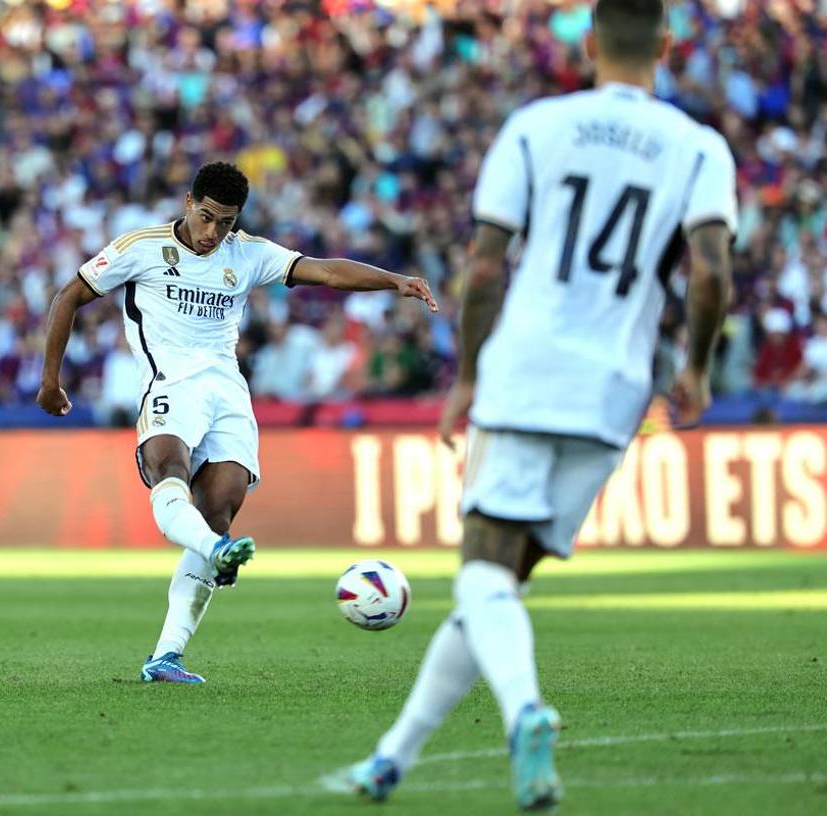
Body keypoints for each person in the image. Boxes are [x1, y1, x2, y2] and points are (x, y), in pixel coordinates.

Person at [332, 0, 736, 809]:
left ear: (588, 44)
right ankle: (389, 761)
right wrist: (695, 365)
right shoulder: (699, 147)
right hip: (616, 391)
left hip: (531, 370)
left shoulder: (536, 127)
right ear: (664, 45)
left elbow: (484, 270)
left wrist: (470, 378)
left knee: (481, 571)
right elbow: (712, 270)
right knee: (499, 587)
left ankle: (525, 713)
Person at [36, 161, 437, 684]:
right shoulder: (142, 247)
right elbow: (69, 295)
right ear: (187, 203)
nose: (212, 233)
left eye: (225, 222)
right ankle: (217, 553)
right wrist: (50, 379)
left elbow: (329, 271)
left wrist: (395, 281)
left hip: (227, 393)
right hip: (169, 385)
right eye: (206, 218)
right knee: (169, 472)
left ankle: (166, 656)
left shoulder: (247, 254)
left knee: (217, 511)